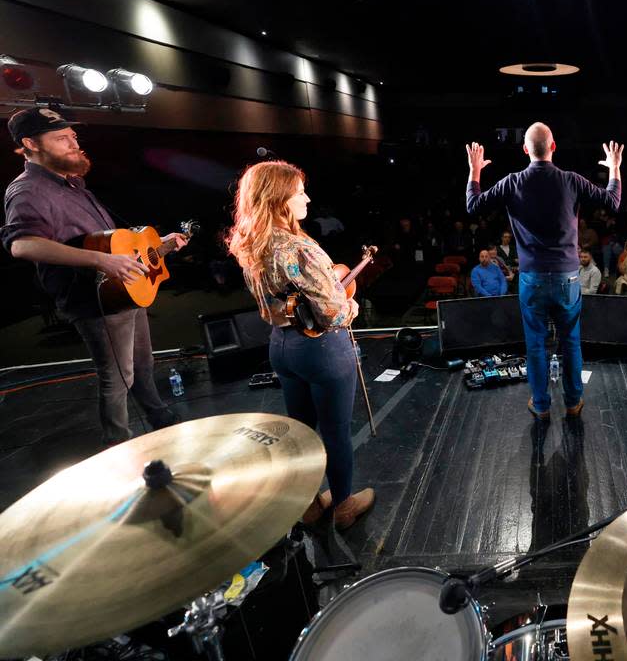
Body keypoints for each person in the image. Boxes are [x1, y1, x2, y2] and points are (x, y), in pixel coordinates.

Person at [2, 108, 184, 444]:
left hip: (125, 290)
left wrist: (161, 246)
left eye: (73, 136)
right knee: (118, 377)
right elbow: (23, 246)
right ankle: (119, 446)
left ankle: (159, 416)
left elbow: (111, 242)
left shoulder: (72, 184)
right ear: (30, 144)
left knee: (142, 364)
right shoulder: (28, 191)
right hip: (96, 301)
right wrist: (101, 260)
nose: (74, 144)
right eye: (61, 139)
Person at [226, 160, 374, 529]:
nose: (306, 197)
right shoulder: (299, 248)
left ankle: (309, 504)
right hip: (322, 350)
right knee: (336, 432)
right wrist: (351, 306)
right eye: (299, 192)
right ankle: (343, 506)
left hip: (281, 346)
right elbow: (333, 313)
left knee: (300, 432)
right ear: (279, 199)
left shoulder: (252, 243)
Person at [465, 122, 622, 419]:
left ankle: (541, 406)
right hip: (568, 278)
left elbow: (473, 205)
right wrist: (614, 168)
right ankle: (573, 403)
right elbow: (612, 201)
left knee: (536, 345)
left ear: (525, 149)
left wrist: (475, 171)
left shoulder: (512, 182)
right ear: (553, 147)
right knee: (571, 341)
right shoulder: (572, 180)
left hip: (532, 278)